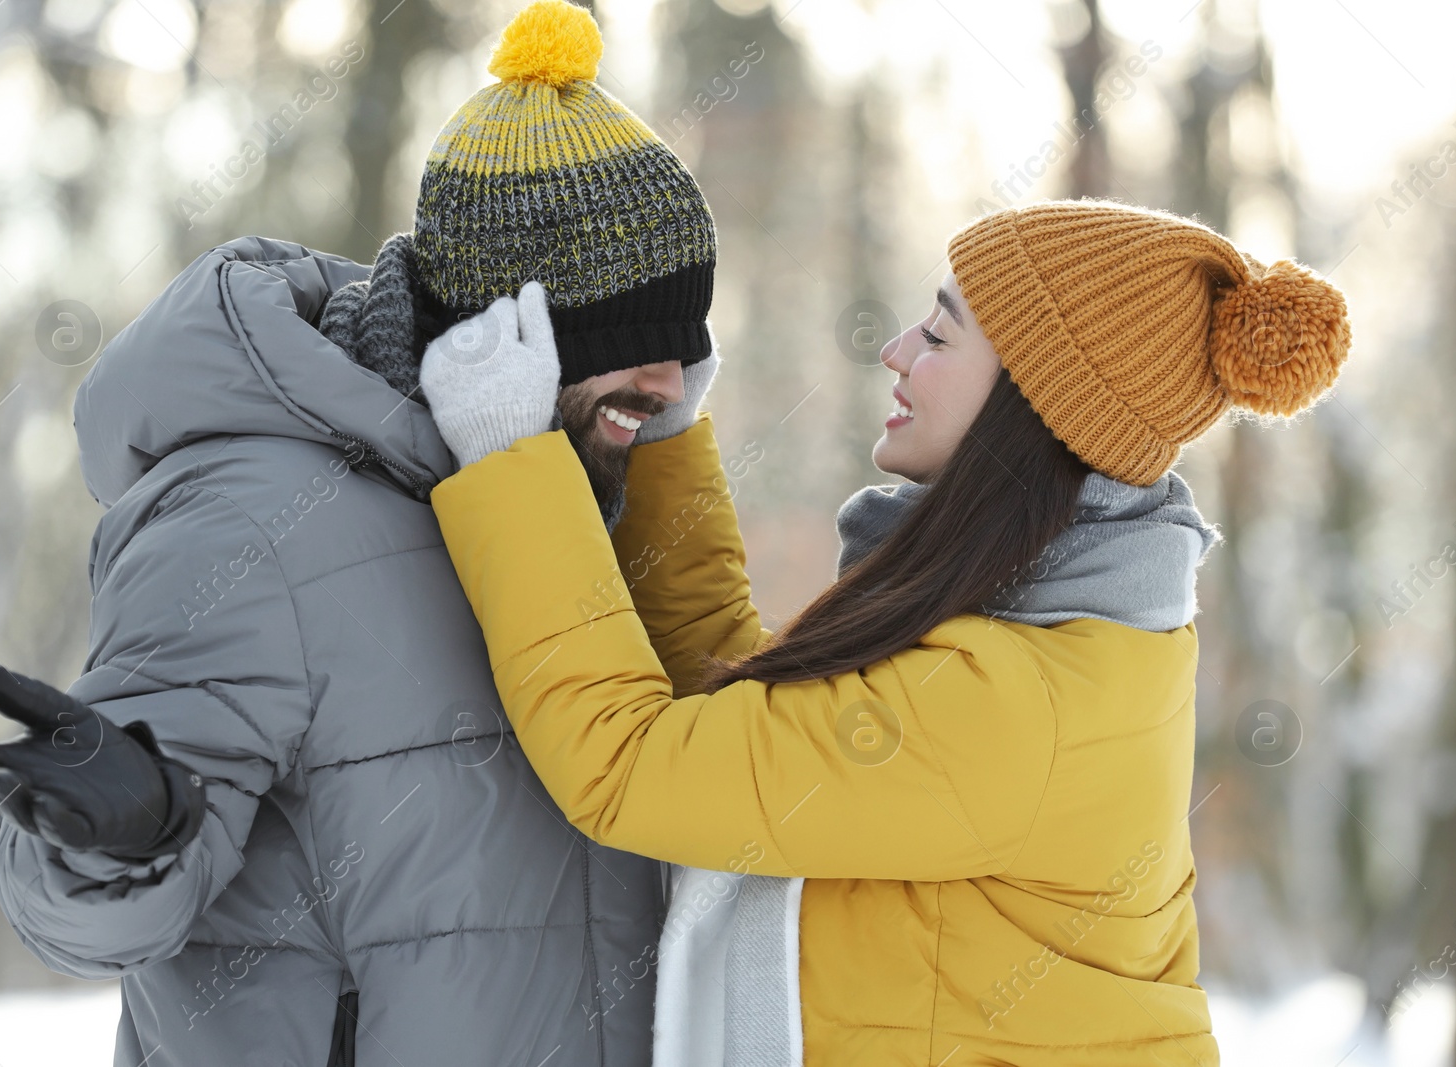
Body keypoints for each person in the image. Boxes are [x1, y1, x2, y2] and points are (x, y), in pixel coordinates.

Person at [0, 3, 719, 1064]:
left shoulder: (578, 500)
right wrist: (124, 834)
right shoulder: (251, 517)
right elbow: (81, 913)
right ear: (501, 330)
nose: (672, 389)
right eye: (634, 344)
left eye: (686, 344)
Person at [415, 198, 1353, 1065]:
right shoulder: (1057, 628)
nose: (896, 350)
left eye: (940, 333)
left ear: (1032, 406)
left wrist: (510, 459)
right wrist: (665, 449)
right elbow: (746, 713)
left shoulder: (1009, 707)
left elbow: (629, 763)